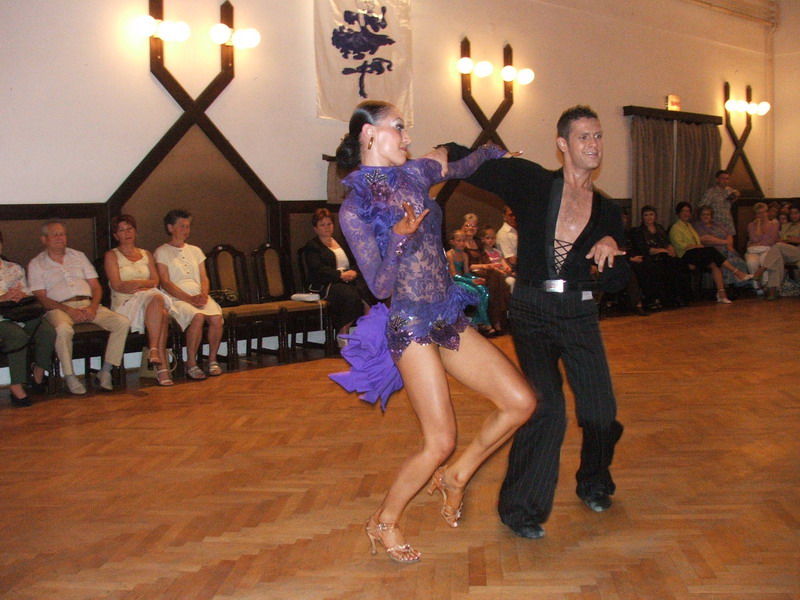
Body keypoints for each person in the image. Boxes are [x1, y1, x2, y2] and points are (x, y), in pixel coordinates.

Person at [333, 100, 536, 563]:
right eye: (398, 127)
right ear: (368, 134)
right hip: (409, 324)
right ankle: (384, 520)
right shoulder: (354, 208)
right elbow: (379, 286)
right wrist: (400, 236)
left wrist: (499, 156)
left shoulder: (416, 173)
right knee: (440, 439)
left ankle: (458, 475)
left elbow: (467, 162)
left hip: (446, 313)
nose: (407, 138)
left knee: (520, 402)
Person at [459, 105, 629, 540]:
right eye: (584, 137)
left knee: (601, 414)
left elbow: (618, 280)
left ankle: (594, 481)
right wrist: (427, 160)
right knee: (546, 409)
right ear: (562, 144)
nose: (594, 144)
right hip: (532, 309)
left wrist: (611, 249)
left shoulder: (607, 211)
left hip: (579, 311)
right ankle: (521, 510)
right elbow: (471, 162)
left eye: (598, 136)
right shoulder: (533, 182)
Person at [28, 220, 129, 395]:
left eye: (62, 234)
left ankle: (105, 371)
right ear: (44, 239)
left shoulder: (78, 256)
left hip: (88, 304)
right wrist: (69, 310)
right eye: (54, 234)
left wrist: (93, 307)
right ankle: (70, 376)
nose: (60, 238)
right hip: (59, 309)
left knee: (122, 322)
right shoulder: (36, 264)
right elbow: (41, 297)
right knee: (63, 330)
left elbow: (96, 286)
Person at [104, 215, 174, 386]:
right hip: (125, 303)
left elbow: (155, 281)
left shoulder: (146, 254)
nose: (127, 233)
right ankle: (160, 364)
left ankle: (154, 351)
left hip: (148, 300)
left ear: (135, 231)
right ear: (116, 235)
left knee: (158, 301)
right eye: (122, 230)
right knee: (161, 310)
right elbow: (118, 285)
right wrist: (143, 284)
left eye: (130, 229)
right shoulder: (111, 256)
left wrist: (135, 284)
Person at [154, 209, 224, 380]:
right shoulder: (162, 252)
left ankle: (212, 360)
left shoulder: (195, 250)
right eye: (181, 226)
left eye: (188, 226)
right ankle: (191, 363)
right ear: (170, 228)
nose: (185, 230)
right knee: (197, 316)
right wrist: (189, 299)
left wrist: (203, 295)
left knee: (216, 317)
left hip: (198, 295)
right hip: (176, 298)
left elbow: (204, 277)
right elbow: (165, 282)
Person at [300, 208, 377, 339]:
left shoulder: (342, 242)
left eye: (329, 224)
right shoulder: (312, 246)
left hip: (349, 279)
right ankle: (343, 334)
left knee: (369, 292)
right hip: (328, 283)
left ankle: (367, 335)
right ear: (315, 228)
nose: (327, 227)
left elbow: (356, 261)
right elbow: (318, 269)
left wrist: (354, 271)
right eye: (322, 225)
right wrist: (340, 275)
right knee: (351, 297)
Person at [0, 229, 56, 406]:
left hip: (19, 312)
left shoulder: (13, 267)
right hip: (1, 318)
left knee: (46, 330)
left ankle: (37, 375)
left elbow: (28, 293)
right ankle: (16, 387)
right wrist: (3, 298)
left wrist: (20, 295)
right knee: (17, 335)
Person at [669, 202, 752, 303]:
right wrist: (697, 246)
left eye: (688, 211)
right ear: (678, 213)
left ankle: (722, 294)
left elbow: (699, 240)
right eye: (683, 211)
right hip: (685, 255)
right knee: (712, 250)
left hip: (696, 253)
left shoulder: (689, 226)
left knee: (714, 264)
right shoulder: (676, 227)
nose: (686, 214)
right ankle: (737, 273)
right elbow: (680, 246)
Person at [628, 205, 687, 309]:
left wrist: (671, 249)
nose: (649, 217)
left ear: (655, 216)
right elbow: (645, 249)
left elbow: (667, 243)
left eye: (651, 214)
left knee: (678, 264)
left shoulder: (660, 228)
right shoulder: (638, 231)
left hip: (664, 256)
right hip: (650, 257)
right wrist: (662, 250)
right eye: (646, 215)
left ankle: (676, 298)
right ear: (642, 217)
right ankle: (655, 299)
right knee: (655, 268)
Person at [462, 213, 511, 333]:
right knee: (495, 279)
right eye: (468, 225)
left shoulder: (478, 243)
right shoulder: (461, 243)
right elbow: (467, 267)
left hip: (484, 271)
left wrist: (491, 266)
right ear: (462, 226)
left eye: (474, 225)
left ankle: (498, 320)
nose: (471, 228)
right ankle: (493, 321)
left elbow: (487, 259)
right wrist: (486, 266)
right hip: (469, 274)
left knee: (498, 278)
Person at [693, 205, 753, 290]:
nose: (706, 216)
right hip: (712, 251)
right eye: (703, 214)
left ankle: (740, 284)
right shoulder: (697, 225)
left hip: (726, 248)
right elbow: (706, 239)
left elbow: (728, 235)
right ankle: (727, 286)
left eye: (708, 214)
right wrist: (725, 242)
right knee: (727, 260)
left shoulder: (716, 223)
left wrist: (729, 245)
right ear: (699, 216)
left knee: (739, 261)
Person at [445, 228, 492, 334]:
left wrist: (475, 278)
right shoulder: (450, 255)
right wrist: (471, 282)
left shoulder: (464, 255)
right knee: (475, 292)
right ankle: (486, 322)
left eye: (464, 240)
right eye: (459, 240)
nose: (462, 243)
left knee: (483, 290)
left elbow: (466, 273)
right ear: (452, 242)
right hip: (453, 281)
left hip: (463, 279)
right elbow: (454, 275)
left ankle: (477, 319)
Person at [757, 204, 799, 299]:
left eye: (796, 213)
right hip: (786, 252)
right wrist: (787, 239)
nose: (794, 215)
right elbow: (779, 239)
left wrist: (788, 239)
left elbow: (790, 240)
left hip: (797, 251)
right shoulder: (786, 226)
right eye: (792, 213)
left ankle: (762, 269)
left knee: (778, 246)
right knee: (777, 259)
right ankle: (773, 291)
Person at [744, 202, 780, 286]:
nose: (761, 215)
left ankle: (766, 284)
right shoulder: (751, 225)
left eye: (763, 212)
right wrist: (758, 226)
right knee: (751, 263)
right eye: (758, 213)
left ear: (767, 213)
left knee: (764, 260)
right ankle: (756, 286)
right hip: (754, 251)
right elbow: (754, 239)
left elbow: (772, 240)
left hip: (768, 249)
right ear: (755, 215)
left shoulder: (774, 224)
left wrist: (757, 244)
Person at [699, 170, 740, 235]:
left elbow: (733, 199)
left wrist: (736, 194)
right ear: (717, 179)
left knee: (730, 240)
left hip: (728, 223)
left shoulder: (729, 191)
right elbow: (701, 207)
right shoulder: (711, 192)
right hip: (716, 224)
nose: (725, 181)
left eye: (727, 179)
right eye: (722, 178)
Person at [479, 226, 515, 292]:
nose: (490, 240)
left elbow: (504, 263)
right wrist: (502, 272)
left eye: (493, 238)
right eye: (487, 238)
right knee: (511, 281)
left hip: (503, 274)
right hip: (494, 277)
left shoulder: (497, 251)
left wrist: (507, 269)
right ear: (482, 239)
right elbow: (490, 267)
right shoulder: (483, 253)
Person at [496, 205, 518, 271]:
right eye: (511, 215)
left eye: (516, 214)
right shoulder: (503, 234)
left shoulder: (517, 230)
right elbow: (512, 260)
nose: (514, 217)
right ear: (504, 216)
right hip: (514, 271)